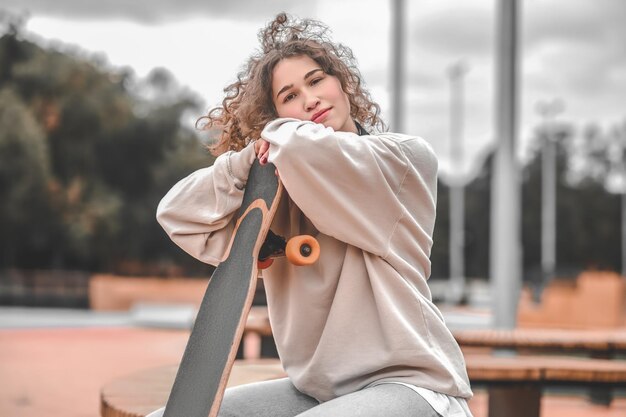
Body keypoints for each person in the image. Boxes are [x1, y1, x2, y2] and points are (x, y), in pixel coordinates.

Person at [155, 12, 473, 417]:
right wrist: (244, 164)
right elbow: (177, 212)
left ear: (342, 83)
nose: (310, 99)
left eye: (317, 80)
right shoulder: (276, 196)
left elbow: (310, 151)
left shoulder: (401, 160)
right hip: (319, 393)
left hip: (415, 387)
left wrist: (274, 132)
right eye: (289, 96)